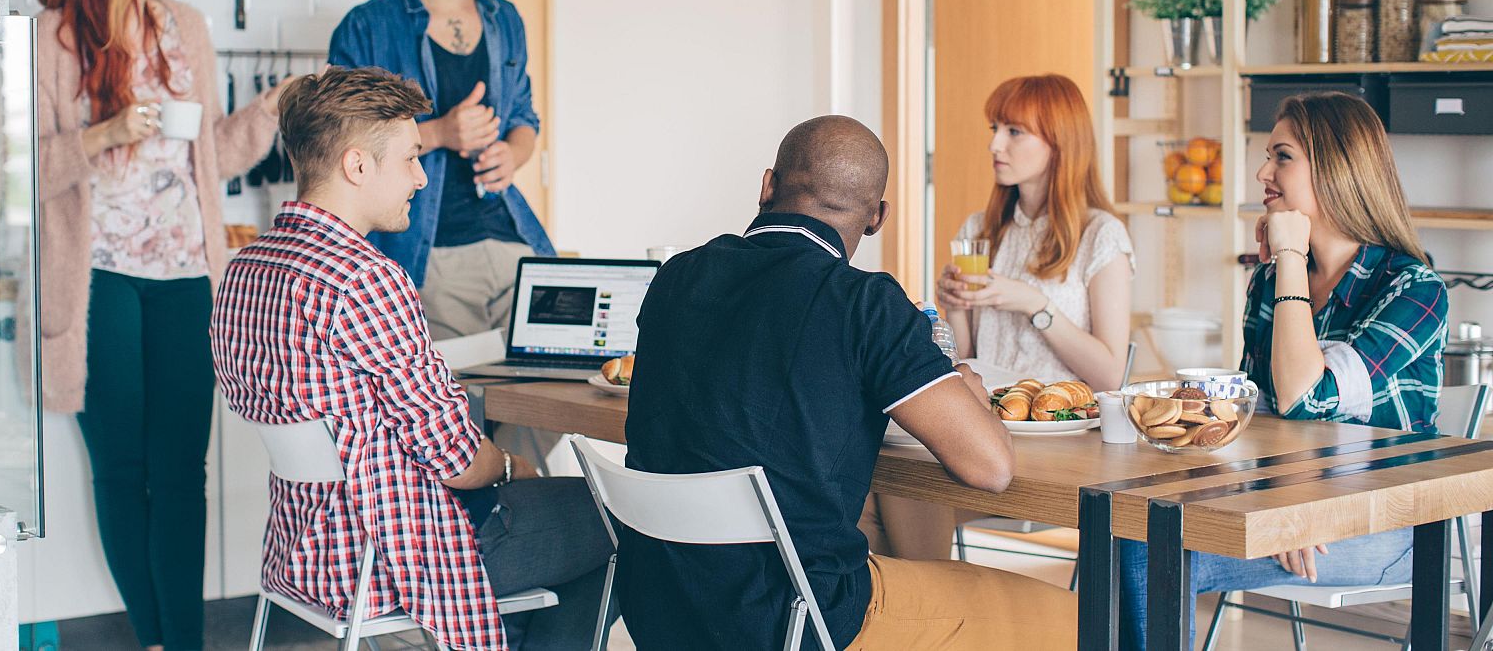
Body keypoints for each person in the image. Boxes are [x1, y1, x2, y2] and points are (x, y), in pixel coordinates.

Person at [618, 115, 1077, 650]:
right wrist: (965, 392)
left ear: (768, 185)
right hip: (797, 618)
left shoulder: (677, 275)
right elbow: (992, 468)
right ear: (878, 217)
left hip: (658, 607)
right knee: (1084, 621)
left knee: (885, 534)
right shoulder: (865, 303)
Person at [210, 66, 612, 651]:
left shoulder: (247, 267)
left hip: (307, 551)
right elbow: (455, 459)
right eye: (410, 158)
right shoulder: (364, 278)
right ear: (356, 165)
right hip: (397, 557)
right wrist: (511, 469)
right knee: (620, 516)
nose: (422, 179)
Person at [31, 0, 282, 651]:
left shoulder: (187, 28)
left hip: (183, 279)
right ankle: (157, 639)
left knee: (181, 474)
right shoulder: (50, 41)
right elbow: (22, 176)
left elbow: (211, 154)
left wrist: (272, 109)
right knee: (121, 470)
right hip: (96, 280)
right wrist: (104, 135)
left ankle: (184, 644)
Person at [1119, 92, 1447, 649]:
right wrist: (1282, 503)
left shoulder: (1414, 289)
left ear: (1337, 169)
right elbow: (1261, 415)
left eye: (1282, 156)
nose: (1262, 171)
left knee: (1150, 547)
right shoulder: (1271, 282)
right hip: (1291, 502)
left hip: (1390, 521)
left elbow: (1304, 397)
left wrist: (1290, 257)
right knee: (1132, 529)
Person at [862, 74, 1133, 562]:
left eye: (1014, 131)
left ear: (1059, 142)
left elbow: (1113, 374)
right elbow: (966, 358)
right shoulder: (981, 230)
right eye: (995, 127)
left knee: (903, 487)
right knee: (874, 480)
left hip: (1059, 440)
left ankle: (926, 617)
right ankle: (907, 616)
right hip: (988, 422)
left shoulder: (1101, 236)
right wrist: (956, 308)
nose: (995, 144)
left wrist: (1035, 304)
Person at [329, 0, 553, 340]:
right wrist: (440, 134)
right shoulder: (367, 26)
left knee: (544, 406)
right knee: (454, 407)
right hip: (428, 256)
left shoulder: (505, 19)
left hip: (516, 241)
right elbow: (339, 147)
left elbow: (524, 118)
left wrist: (510, 155)